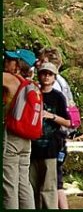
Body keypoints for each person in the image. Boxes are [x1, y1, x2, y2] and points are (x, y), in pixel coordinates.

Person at [37, 48, 77, 210]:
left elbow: (67, 121)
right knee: (53, 183)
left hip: (54, 142)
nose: (38, 63)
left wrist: (49, 116)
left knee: (54, 184)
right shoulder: (60, 83)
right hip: (46, 142)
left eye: (41, 60)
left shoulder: (57, 90)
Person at [29, 62, 70, 210]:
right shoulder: (33, 94)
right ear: (39, 75)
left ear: (54, 78)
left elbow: (68, 121)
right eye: (43, 73)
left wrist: (50, 116)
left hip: (51, 149)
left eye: (50, 74)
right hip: (32, 148)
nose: (46, 77)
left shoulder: (58, 97)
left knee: (49, 188)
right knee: (31, 188)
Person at [3, 50, 37, 209]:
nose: (5, 61)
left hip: (12, 138)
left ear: (17, 64)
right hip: (26, 139)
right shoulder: (31, 84)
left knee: (9, 184)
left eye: (10, 59)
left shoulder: (10, 79)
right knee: (23, 182)